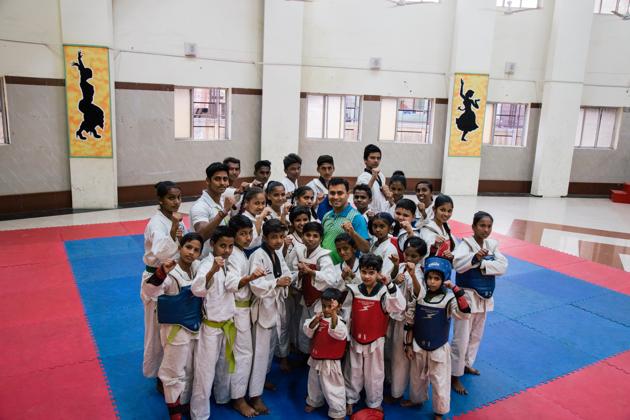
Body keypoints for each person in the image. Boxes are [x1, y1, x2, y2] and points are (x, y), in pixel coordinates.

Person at [143, 233, 203, 419]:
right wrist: (161, 272)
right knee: (173, 371)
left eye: (196, 250)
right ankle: (174, 412)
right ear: (180, 247)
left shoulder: (198, 267)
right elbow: (149, 291)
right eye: (188, 247)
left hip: (194, 325)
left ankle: (182, 402)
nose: (191, 253)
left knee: (190, 369)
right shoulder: (171, 271)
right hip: (175, 329)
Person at [403, 257, 471, 420]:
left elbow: (465, 313)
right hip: (418, 344)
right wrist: (407, 343)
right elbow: (410, 322)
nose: (432, 282)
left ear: (444, 280)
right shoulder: (419, 296)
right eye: (429, 278)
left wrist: (455, 289)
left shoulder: (448, 299)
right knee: (416, 378)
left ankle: (439, 411)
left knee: (440, 381)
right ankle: (416, 400)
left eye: (437, 278)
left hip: (438, 347)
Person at [450, 211, 508, 395]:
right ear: (473, 227)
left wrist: (481, 265)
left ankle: (467, 364)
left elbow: (503, 266)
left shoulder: (492, 244)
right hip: (466, 297)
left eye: (489, 226)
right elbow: (458, 265)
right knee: (461, 338)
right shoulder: (465, 245)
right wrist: (475, 258)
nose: (486, 229)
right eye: (482, 225)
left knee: (476, 335)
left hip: (484, 297)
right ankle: (454, 375)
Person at [343, 254, 406, 415]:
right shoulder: (354, 289)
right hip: (356, 337)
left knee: (375, 373)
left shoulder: (384, 291)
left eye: (371, 273)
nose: (366, 276)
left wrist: (390, 285)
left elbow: (399, 308)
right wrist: (345, 334)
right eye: (363, 272)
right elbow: (346, 312)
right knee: (353, 371)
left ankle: (374, 401)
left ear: (378, 273)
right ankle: (350, 398)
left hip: (376, 340)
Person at [190, 227, 240, 420]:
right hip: (210, 327)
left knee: (224, 366)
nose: (226, 250)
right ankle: (199, 414)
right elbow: (197, 289)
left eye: (230, 246)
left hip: (227, 324)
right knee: (205, 372)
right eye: (222, 246)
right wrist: (212, 270)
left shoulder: (230, 263)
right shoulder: (205, 264)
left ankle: (221, 397)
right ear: (212, 245)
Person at [142, 181, 186, 390]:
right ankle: (160, 374)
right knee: (156, 328)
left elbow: (182, 247)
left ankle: (173, 368)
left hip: (174, 276)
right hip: (156, 278)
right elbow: (161, 252)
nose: (176, 202)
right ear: (160, 200)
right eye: (171, 198)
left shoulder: (176, 220)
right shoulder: (156, 223)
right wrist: (176, 226)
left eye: (179, 197)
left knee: (172, 328)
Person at [248, 219, 292, 414]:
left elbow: (287, 273)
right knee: (259, 354)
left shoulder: (275, 254)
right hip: (262, 310)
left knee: (268, 350)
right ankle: (254, 396)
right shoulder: (258, 255)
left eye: (281, 237)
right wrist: (277, 282)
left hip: (274, 308)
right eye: (274, 237)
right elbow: (256, 286)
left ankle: (262, 381)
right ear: (264, 237)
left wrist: (286, 280)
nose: (278, 241)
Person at [224, 215, 266, 417]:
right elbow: (231, 283)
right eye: (242, 234)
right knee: (243, 355)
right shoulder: (232, 255)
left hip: (245, 309)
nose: (248, 237)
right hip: (236, 310)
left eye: (249, 233)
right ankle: (238, 399)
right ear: (233, 235)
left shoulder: (242, 253)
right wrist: (250, 277)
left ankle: (246, 392)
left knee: (245, 354)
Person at [387, 237, 427, 406]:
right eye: (407, 255)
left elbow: (420, 295)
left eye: (414, 256)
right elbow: (391, 281)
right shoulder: (402, 266)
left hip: (407, 320)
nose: (410, 259)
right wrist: (397, 266)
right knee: (392, 353)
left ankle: (397, 394)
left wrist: (412, 276)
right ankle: (392, 384)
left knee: (400, 358)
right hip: (394, 316)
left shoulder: (420, 273)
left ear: (421, 258)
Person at [287, 222, 338, 355]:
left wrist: (311, 272)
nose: (311, 239)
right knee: (304, 328)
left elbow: (331, 279)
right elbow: (290, 271)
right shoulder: (300, 251)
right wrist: (299, 274)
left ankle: (316, 356)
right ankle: (304, 356)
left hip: (320, 301)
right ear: (302, 236)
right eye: (307, 235)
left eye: (315, 236)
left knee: (318, 329)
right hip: (305, 297)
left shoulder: (324, 256)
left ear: (321, 238)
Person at [303, 288, 348, 420]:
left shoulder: (340, 322)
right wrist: (315, 320)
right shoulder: (319, 317)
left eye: (330, 307)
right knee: (314, 383)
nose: (327, 309)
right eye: (324, 306)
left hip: (330, 362)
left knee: (333, 387)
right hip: (316, 358)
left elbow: (338, 333)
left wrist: (333, 314)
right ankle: (314, 401)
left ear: (339, 307)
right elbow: (308, 331)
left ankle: (338, 411)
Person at [321, 178, 370, 264]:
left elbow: (365, 248)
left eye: (340, 193)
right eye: (332, 193)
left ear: (347, 195)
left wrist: (353, 233)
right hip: (325, 268)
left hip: (345, 272)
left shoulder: (356, 217)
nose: (336, 197)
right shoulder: (326, 216)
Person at [190, 162, 234, 257]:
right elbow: (201, 235)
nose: (222, 183)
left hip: (221, 258)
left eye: (225, 179)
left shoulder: (222, 201)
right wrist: (223, 212)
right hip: (204, 261)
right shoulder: (200, 206)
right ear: (208, 180)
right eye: (217, 179)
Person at [420, 194, 456, 261]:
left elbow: (454, 249)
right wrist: (434, 246)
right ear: (434, 209)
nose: (446, 214)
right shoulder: (426, 229)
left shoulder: (446, 226)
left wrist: (451, 255)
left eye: (449, 211)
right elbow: (422, 256)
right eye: (442, 210)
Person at [356, 144, 389, 213]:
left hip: (382, 212)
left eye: (378, 158)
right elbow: (363, 194)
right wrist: (373, 178)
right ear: (365, 160)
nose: (376, 160)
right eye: (372, 158)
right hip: (369, 214)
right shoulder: (363, 177)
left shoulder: (381, 175)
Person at [367, 212, 399, 278]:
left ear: (390, 229)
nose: (377, 229)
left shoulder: (390, 248)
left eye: (382, 226)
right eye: (375, 226)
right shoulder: (374, 245)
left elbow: (385, 275)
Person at [239, 187, 268, 254]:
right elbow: (249, 245)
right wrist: (260, 220)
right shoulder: (243, 220)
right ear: (246, 202)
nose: (261, 207)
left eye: (263, 203)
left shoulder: (259, 217)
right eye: (257, 203)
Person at [306, 155, 335, 220]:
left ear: (334, 169)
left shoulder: (337, 186)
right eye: (323, 168)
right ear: (318, 169)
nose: (327, 172)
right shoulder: (311, 186)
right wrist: (315, 203)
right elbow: (305, 206)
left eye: (329, 168)